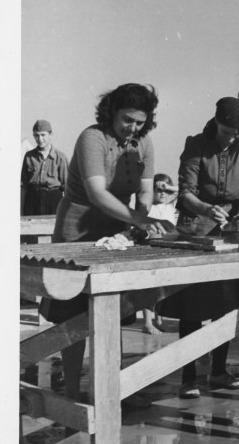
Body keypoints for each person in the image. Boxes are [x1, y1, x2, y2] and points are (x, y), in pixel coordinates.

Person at [40, 83, 175, 401]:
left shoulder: (143, 143)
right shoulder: (92, 137)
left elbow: (145, 189)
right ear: (112, 112)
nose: (133, 127)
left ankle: (110, 391)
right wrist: (140, 219)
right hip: (76, 231)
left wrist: (140, 221)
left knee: (113, 310)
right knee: (73, 314)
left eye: (140, 122)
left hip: (117, 232)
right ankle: (71, 391)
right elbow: (97, 193)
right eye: (127, 119)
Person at [156, 98, 239, 398]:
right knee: (192, 306)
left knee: (226, 304)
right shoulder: (196, 144)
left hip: (230, 231)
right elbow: (185, 193)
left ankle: (219, 371)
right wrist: (207, 209)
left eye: (236, 134)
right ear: (216, 124)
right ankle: (189, 377)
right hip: (196, 227)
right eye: (226, 132)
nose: (231, 138)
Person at [141, 173, 179, 335]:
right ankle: (147, 322)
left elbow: (181, 192)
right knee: (149, 288)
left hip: (166, 250)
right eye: (159, 190)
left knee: (162, 288)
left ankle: (159, 320)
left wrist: (169, 187)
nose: (163, 193)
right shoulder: (148, 207)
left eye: (166, 191)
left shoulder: (170, 206)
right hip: (151, 251)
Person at [21, 119, 69, 215]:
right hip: (32, 201)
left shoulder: (60, 157)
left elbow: (67, 188)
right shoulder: (29, 156)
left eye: (43, 135)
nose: (40, 139)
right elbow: (24, 187)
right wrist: (21, 210)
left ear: (50, 135)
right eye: (36, 135)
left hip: (53, 200)